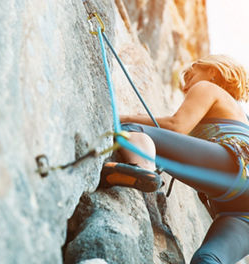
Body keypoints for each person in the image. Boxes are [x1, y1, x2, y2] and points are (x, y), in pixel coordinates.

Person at [100, 55, 249, 263]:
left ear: (213, 72)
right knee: (208, 258)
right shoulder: (240, 115)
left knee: (130, 131)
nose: (186, 86)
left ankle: (142, 169)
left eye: (191, 74)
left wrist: (125, 117)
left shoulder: (208, 87)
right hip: (241, 210)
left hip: (233, 167)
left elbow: (176, 126)